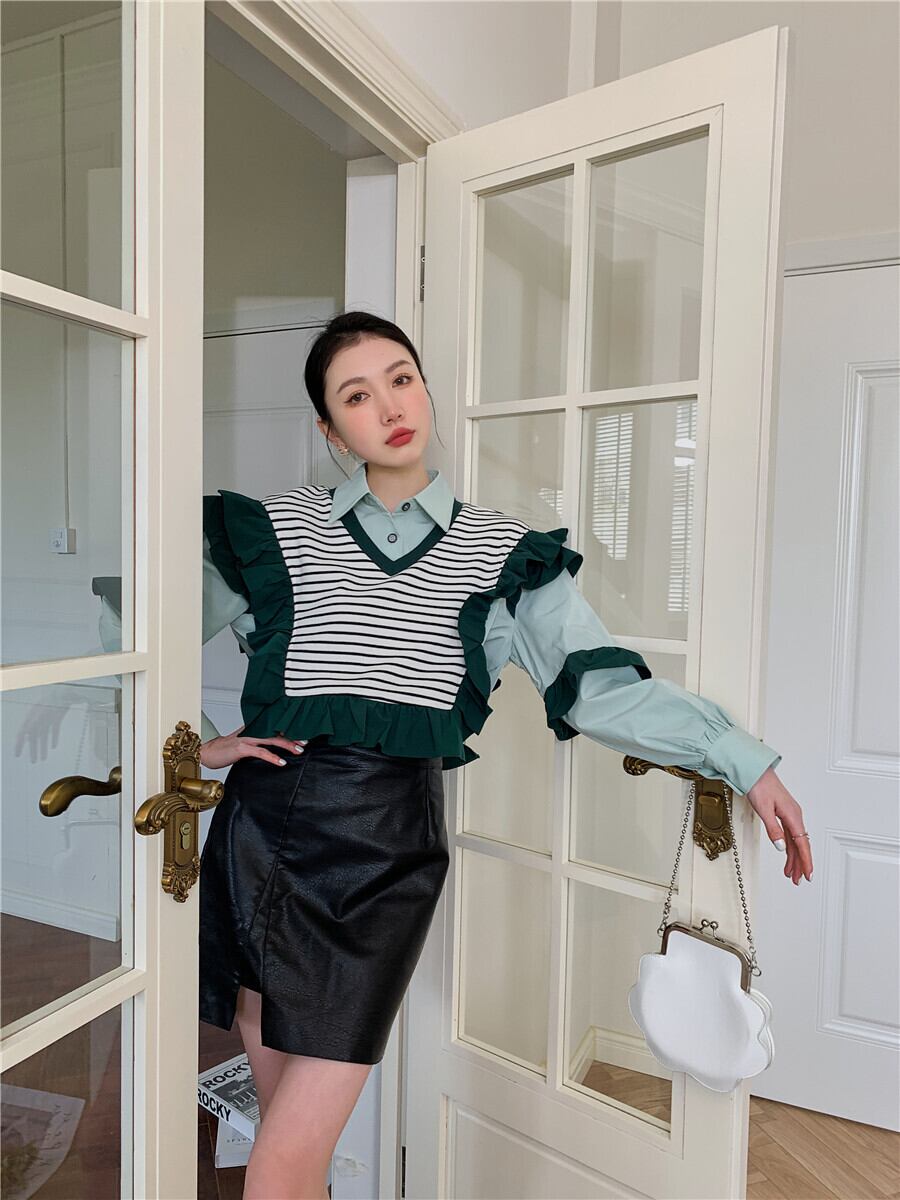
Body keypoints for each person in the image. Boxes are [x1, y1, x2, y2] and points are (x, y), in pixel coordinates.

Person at [195, 310, 813, 1199]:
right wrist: (192, 744)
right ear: (331, 431)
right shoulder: (274, 530)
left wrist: (742, 759)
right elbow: (134, 632)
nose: (390, 408)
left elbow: (602, 691)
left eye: (401, 379)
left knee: (289, 1150)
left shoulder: (503, 554)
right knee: (290, 1145)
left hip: (388, 852)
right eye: (357, 397)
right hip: (265, 840)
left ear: (425, 388)